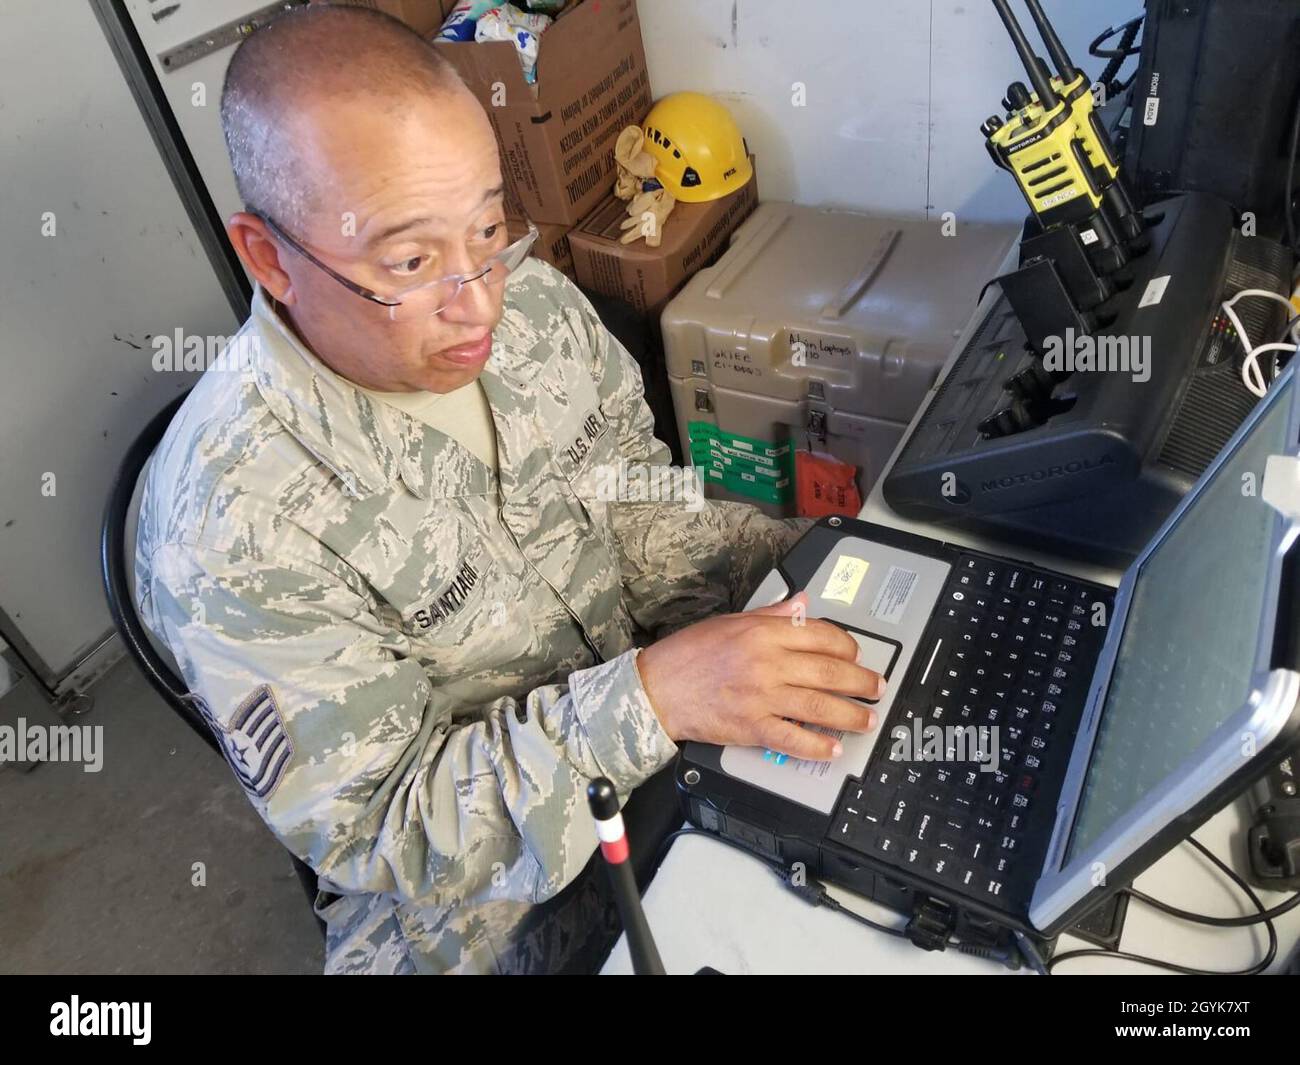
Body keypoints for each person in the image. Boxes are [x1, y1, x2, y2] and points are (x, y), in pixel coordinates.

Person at [135, 4, 884, 974]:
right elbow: (388, 828)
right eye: (410, 262)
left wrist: (809, 552)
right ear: (269, 255)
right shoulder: (229, 526)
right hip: (471, 912)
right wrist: (654, 699)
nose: (479, 300)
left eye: (487, 227)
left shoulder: (534, 308)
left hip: (657, 748)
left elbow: (636, 511)